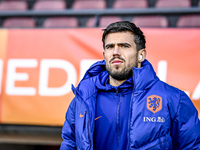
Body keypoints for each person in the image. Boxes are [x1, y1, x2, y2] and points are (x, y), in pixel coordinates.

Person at [60, 21, 200, 150]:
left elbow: (192, 146)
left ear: (141, 55)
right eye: (110, 47)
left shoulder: (174, 99)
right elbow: (69, 143)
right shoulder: (83, 100)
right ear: (104, 54)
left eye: (124, 46)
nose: (115, 52)